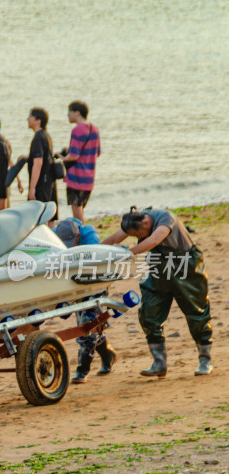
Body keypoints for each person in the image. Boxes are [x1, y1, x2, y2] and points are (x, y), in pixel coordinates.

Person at [102, 208, 213, 377]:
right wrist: (92, 253)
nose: (138, 238)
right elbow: (114, 238)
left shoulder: (165, 218)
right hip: (159, 269)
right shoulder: (135, 219)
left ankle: (205, 360)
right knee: (149, 314)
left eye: (139, 235)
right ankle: (159, 363)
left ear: (146, 223)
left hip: (186, 267)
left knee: (197, 313)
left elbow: (154, 240)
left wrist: (129, 253)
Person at [54, 218, 118, 383]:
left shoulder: (90, 237)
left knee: (87, 325)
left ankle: (82, 370)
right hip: (74, 286)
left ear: (78, 236)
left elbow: (99, 266)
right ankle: (108, 354)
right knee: (90, 323)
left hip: (95, 284)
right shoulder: (53, 236)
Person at [56, 101, 101, 222]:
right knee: (81, 208)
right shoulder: (94, 129)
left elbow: (74, 155)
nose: (67, 115)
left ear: (77, 113)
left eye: (69, 111)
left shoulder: (77, 130)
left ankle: (81, 235)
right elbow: (98, 152)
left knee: (76, 210)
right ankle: (82, 233)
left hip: (76, 177)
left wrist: (63, 158)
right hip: (89, 177)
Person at [17, 107, 58, 227]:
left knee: (40, 215)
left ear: (38, 120)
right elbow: (42, 157)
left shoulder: (38, 138)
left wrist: (32, 188)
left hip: (41, 182)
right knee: (50, 215)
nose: (27, 119)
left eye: (30, 117)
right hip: (49, 180)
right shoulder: (46, 135)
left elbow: (38, 162)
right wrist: (27, 157)